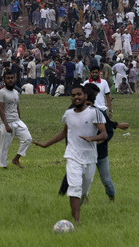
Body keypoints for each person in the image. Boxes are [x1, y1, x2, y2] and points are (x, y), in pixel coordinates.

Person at [35, 85, 107, 223]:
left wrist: (92, 138)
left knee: (84, 192)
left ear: (85, 96)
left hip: (90, 157)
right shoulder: (68, 114)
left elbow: (103, 134)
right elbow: (64, 132)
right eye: (73, 95)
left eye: (79, 94)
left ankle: (75, 209)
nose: (76, 97)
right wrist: (45, 144)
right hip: (72, 155)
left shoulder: (94, 112)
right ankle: (77, 220)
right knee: (74, 187)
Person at [0, 65, 32, 169]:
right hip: (6, 123)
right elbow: (0, 109)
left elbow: (17, 106)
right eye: (8, 78)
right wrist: (6, 125)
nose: (10, 80)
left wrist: (19, 118)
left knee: (27, 139)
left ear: (15, 78)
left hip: (17, 121)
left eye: (12, 78)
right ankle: (3, 166)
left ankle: (16, 159)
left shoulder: (16, 92)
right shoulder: (1, 93)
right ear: (4, 80)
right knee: (4, 146)